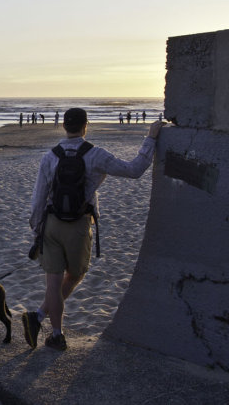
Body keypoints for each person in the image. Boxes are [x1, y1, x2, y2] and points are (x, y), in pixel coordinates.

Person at [22, 108, 164, 351]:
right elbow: (134, 170)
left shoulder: (50, 156)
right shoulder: (96, 155)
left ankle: (53, 331)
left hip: (52, 224)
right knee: (75, 275)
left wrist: (37, 232)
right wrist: (150, 138)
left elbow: (38, 200)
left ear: (64, 126)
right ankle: (39, 318)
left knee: (52, 284)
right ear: (86, 126)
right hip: (79, 225)